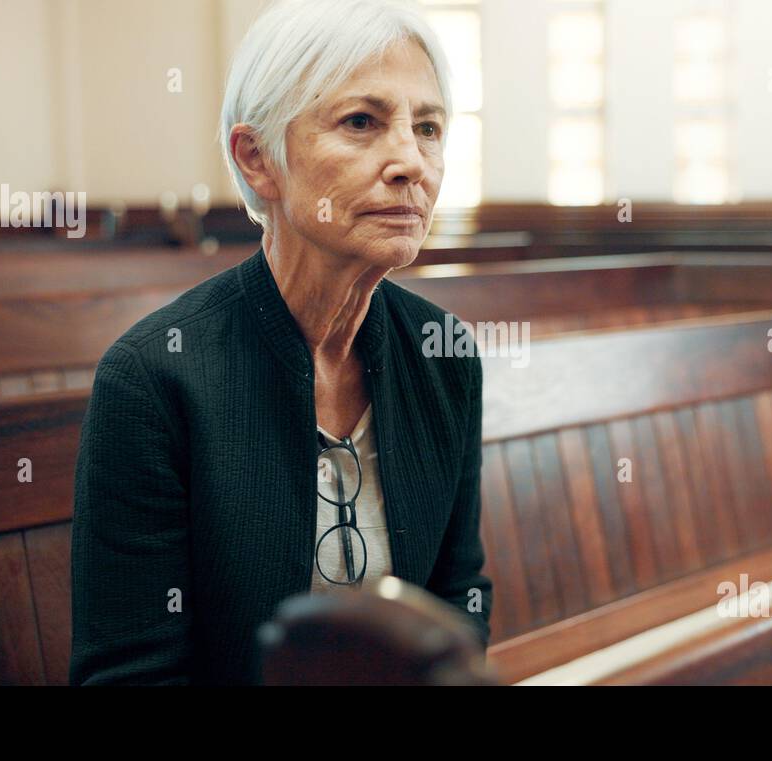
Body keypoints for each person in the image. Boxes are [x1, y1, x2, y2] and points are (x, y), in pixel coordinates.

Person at [69, 0, 492, 685]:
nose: (410, 162)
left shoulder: (443, 354)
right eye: (362, 122)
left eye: (429, 128)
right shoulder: (154, 379)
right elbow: (130, 676)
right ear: (259, 159)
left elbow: (458, 597)